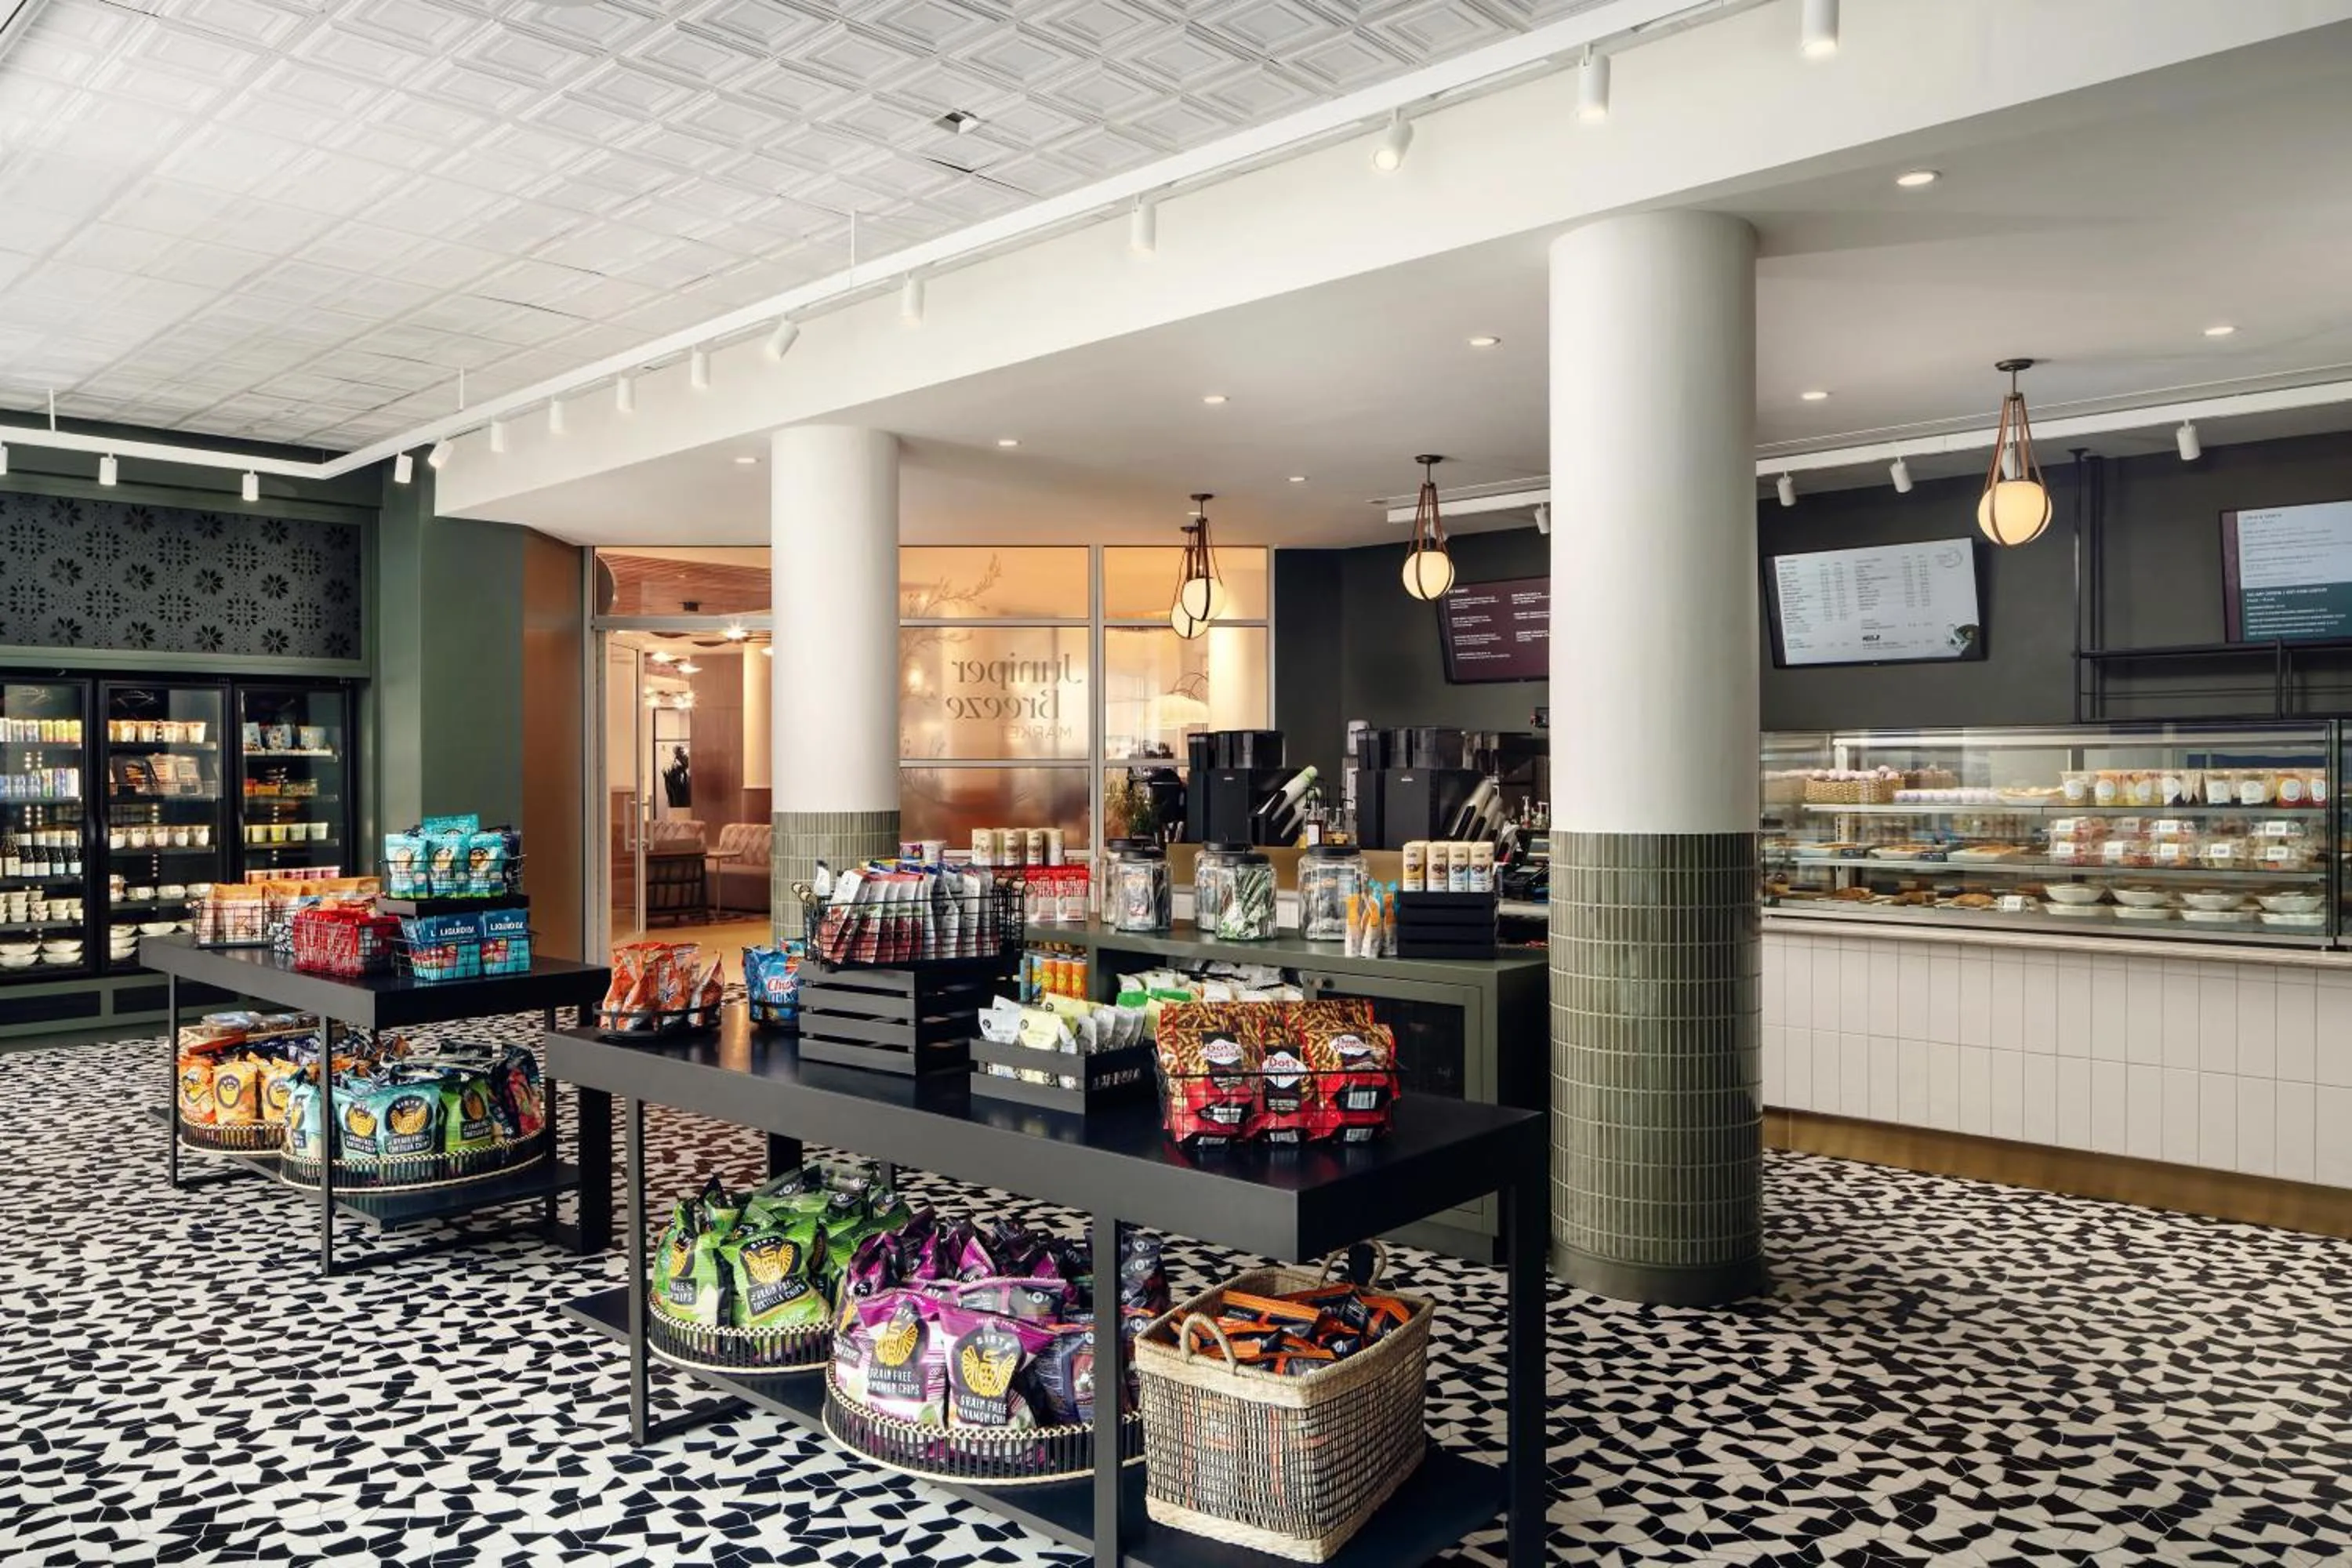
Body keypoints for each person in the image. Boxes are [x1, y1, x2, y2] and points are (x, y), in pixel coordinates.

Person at [662, 744, 691, 809]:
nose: (687, 758)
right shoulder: (673, 773)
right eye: (683, 754)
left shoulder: (686, 774)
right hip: (678, 809)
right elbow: (672, 794)